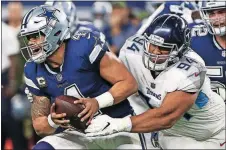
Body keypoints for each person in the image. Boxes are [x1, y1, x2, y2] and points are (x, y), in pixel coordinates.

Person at [85, 14, 226, 149]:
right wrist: (95, 102)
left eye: (164, 48)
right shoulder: (131, 51)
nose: (155, 51)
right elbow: (121, 84)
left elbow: (167, 116)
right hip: (171, 133)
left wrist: (118, 124)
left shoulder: (190, 69)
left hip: (212, 132)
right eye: (152, 44)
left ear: (181, 50)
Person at [19, 5, 146, 149]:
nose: (30, 42)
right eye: (29, 37)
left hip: (116, 125)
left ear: (55, 32)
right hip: (78, 134)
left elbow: (129, 83)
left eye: (36, 36)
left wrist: (98, 102)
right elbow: (39, 126)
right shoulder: (33, 70)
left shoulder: (85, 46)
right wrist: (52, 121)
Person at [189, 1, 226, 101]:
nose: (217, 18)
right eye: (212, 13)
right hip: (207, 111)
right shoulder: (193, 37)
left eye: (222, 12)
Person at [2, 22, 28, 150]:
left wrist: (12, 84)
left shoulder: (4, 30)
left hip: (4, 79)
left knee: (8, 118)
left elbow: (14, 59)